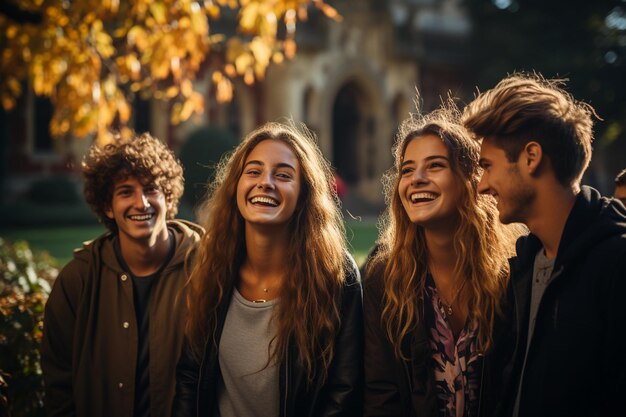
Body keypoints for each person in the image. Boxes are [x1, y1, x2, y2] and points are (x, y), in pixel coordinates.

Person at [462, 73, 626, 417]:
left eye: (488, 167)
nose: (482, 186)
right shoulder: (524, 263)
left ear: (531, 157)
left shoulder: (615, 263)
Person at [173, 122, 363, 417]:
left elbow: (344, 391)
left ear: (303, 195)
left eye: (284, 175)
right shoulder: (212, 267)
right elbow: (190, 376)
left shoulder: (337, 277)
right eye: (253, 171)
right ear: (236, 185)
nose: (265, 182)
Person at [363, 102, 519, 417]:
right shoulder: (383, 276)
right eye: (407, 170)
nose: (416, 178)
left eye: (435, 166)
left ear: (469, 181)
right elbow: (380, 395)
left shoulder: (511, 273)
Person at [41, 132, 203, 417]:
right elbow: (58, 383)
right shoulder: (77, 280)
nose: (141, 203)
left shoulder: (207, 266)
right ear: (108, 207)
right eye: (125, 192)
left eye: (151, 189)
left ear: (167, 196)